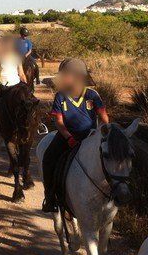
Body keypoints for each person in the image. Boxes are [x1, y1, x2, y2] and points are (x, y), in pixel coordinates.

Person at [41, 58, 108, 212]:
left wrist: (98, 135)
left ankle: (113, 195)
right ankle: (50, 197)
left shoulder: (92, 95)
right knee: (49, 158)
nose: (63, 78)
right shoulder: (60, 96)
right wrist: (68, 137)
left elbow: (104, 119)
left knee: (111, 159)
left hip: (90, 138)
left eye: (66, 75)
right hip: (67, 138)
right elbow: (59, 122)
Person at [0, 34, 26, 135]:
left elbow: (21, 73)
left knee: (29, 101)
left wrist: (26, 84)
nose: (9, 46)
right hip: (3, 83)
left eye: (10, 44)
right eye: (7, 44)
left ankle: (35, 123)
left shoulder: (17, 57)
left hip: (16, 83)